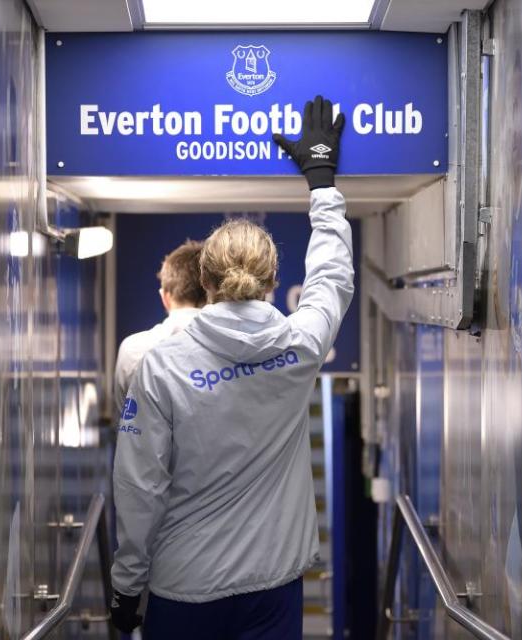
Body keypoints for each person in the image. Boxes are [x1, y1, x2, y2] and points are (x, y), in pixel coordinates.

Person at [109, 95, 352, 640]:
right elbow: (332, 278)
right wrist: (321, 180)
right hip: (273, 587)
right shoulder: (300, 345)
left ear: (206, 281)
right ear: (270, 282)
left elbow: (139, 485)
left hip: (184, 588)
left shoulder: (162, 365)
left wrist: (127, 586)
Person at [115, 239, 206, 416]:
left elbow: (125, 422)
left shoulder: (132, 348)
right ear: (214, 293)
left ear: (165, 297)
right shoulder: (238, 348)